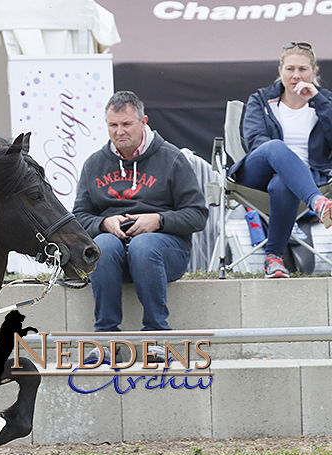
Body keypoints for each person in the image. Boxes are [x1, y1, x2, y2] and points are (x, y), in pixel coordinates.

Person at [73, 91, 208, 364]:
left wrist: (159, 220)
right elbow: (77, 217)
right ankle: (107, 340)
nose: (119, 131)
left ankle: (156, 338)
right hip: (113, 255)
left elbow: (197, 215)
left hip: (164, 251)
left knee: (143, 245)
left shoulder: (172, 159)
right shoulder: (94, 164)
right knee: (104, 245)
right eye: (113, 125)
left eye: (126, 124)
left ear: (143, 121)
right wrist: (102, 223)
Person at [230, 42, 332, 279]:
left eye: (303, 69)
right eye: (290, 68)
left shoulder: (325, 100)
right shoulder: (261, 99)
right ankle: (318, 204)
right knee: (274, 146)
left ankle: (273, 259)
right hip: (258, 172)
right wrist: (281, 165)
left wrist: (319, 102)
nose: (296, 75)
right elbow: (255, 141)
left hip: (305, 178)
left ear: (314, 72)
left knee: (283, 184)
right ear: (280, 70)